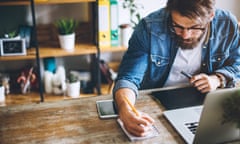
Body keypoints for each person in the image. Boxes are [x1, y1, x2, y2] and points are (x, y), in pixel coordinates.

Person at [113, 0, 240, 137]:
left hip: (206, 105)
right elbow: (128, 77)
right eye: (177, 26)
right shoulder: (149, 27)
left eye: (195, 27)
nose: (185, 35)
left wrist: (217, 79)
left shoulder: (227, 24)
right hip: (156, 103)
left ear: (211, 16)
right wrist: (125, 109)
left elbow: (237, 64)